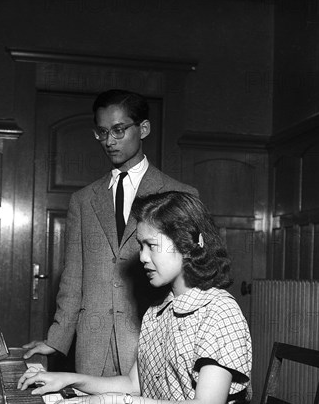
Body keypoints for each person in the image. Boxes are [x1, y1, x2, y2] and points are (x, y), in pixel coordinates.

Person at [18, 191, 263, 404]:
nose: (142, 257)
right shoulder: (157, 312)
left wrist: (116, 402)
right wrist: (67, 380)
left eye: (151, 245)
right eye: (140, 245)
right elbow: (133, 384)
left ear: (192, 243)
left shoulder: (219, 311)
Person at [22, 89, 198, 380]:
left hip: (154, 343)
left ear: (143, 129)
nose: (109, 141)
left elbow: (192, 276)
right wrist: (57, 338)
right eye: (102, 132)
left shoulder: (180, 195)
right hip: (93, 345)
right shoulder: (83, 200)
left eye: (118, 130)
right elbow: (73, 276)